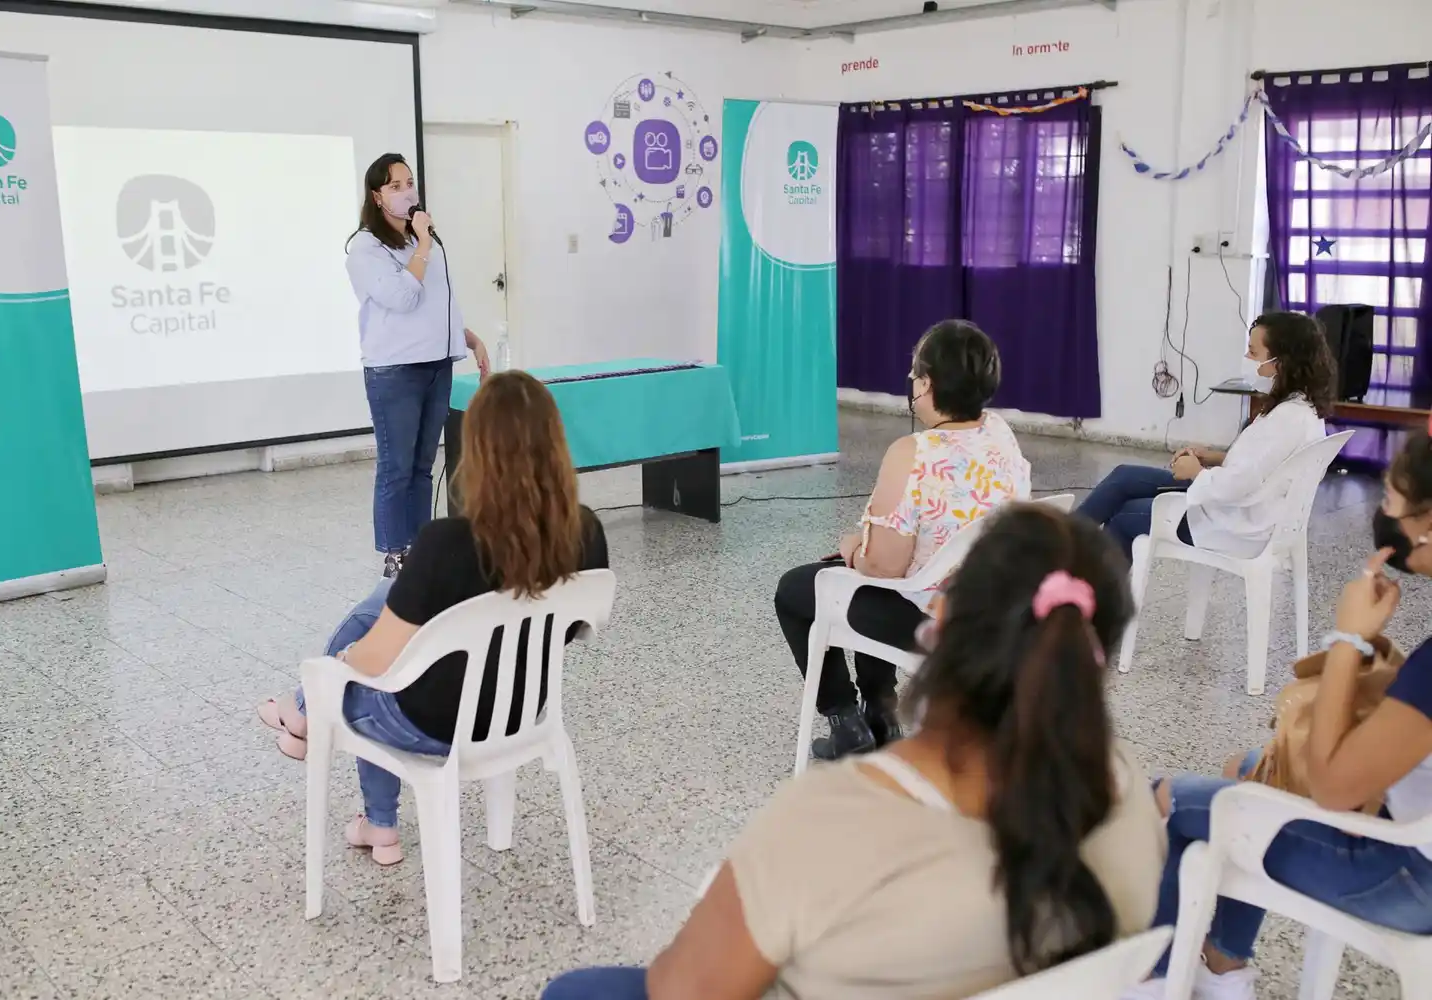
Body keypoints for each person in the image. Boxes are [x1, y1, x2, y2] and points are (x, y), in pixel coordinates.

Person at [545, 505, 1166, 1000]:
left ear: (939, 620)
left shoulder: (836, 817)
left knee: (579, 990)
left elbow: (683, 989)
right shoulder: (1126, 792)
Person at [1125, 429, 1432, 1000]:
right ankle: (1222, 969)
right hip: (1412, 838)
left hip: (1408, 879)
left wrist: (1348, 640)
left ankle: (1152, 979)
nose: (1382, 514)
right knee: (1253, 771)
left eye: (1390, 500)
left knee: (1165, 801)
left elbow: (1333, 786)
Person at [256, 372, 608, 865]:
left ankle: (315, 730)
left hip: (430, 724)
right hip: (521, 714)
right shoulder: (587, 533)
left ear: (477, 453)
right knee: (384, 599)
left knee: (349, 673)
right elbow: (577, 628)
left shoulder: (445, 544)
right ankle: (313, 733)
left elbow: (374, 664)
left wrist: (340, 661)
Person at [774, 319, 1031, 761]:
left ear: (927, 384)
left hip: (936, 624)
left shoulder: (914, 452)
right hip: (997, 610)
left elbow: (883, 567)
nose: (911, 382)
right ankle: (881, 713)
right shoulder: (999, 432)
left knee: (795, 589)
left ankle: (844, 721)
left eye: (915, 374)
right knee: (880, 579)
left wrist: (855, 548)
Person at [1077, 311, 1334, 562]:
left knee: (1124, 516)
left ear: (1281, 363)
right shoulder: (1299, 409)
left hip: (1233, 525)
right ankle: (1063, 543)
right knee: (1124, 477)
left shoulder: (1287, 419)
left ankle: (1074, 565)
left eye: (1253, 353)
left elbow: (1238, 484)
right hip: (1241, 508)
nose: (1247, 358)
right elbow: (1264, 467)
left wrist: (1197, 472)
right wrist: (1213, 457)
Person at [347, 152, 491, 578]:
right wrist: (424, 244)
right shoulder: (365, 248)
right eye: (395, 186)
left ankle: (420, 547)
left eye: (409, 183)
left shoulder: (419, 241)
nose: (407, 192)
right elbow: (402, 297)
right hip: (395, 370)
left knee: (424, 465)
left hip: (436, 364)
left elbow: (436, 301)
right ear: (377, 196)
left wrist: (467, 336)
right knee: (397, 466)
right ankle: (395, 555)